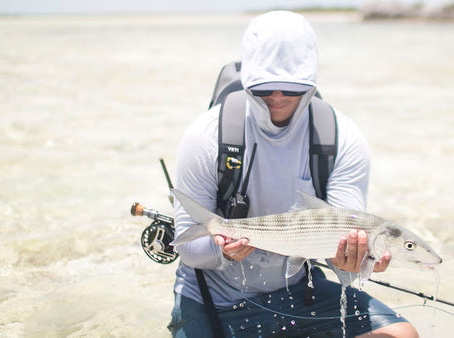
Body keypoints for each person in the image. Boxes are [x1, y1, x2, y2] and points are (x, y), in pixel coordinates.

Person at [168, 11, 419, 338]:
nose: (277, 97)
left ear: (311, 82)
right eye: (264, 87)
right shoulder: (205, 135)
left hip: (300, 292)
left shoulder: (341, 137)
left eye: (290, 88)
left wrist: (352, 264)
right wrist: (222, 250)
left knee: (402, 335)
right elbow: (186, 247)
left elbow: (337, 253)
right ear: (248, 81)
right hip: (213, 300)